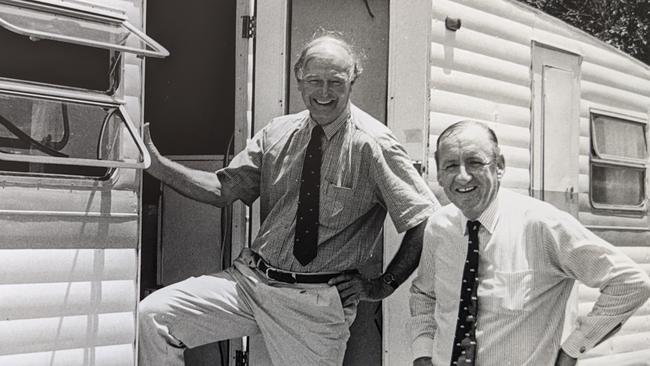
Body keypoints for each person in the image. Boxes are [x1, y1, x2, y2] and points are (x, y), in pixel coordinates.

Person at [139, 32, 440, 366]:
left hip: (315, 304)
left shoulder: (374, 144)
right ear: (299, 80)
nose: (324, 93)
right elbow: (221, 190)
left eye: (335, 82)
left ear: (352, 81)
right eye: (314, 80)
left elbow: (425, 220)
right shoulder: (277, 133)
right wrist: (158, 167)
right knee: (154, 315)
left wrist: (383, 285)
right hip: (251, 283)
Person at [408, 120, 650, 366]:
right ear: (439, 173)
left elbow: (630, 283)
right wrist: (423, 353)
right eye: (450, 165)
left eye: (475, 162)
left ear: (500, 166)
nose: (462, 176)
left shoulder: (542, 225)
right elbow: (424, 294)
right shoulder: (439, 227)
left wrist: (573, 349)